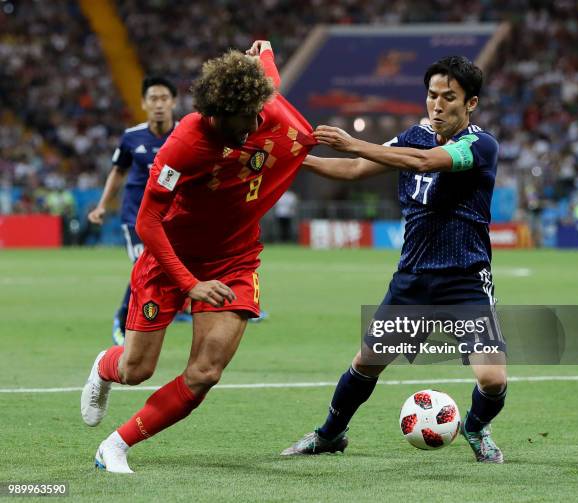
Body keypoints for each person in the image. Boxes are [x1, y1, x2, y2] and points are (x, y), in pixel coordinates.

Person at [80, 40, 316, 473]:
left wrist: (265, 51)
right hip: (172, 258)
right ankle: (105, 366)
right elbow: (149, 222)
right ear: (219, 113)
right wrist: (190, 284)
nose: (255, 124)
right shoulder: (187, 139)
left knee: (205, 373)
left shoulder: (257, 103)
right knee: (137, 369)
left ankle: (115, 446)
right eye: (246, 118)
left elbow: (267, 70)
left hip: (234, 261)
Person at [283, 56, 508, 463]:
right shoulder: (414, 134)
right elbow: (353, 169)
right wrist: (290, 159)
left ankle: (475, 427)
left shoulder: (480, 145)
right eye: (432, 95)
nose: (437, 106)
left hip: (465, 278)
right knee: (366, 362)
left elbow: (423, 162)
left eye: (449, 98)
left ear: (470, 103)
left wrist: (353, 141)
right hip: (413, 278)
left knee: (492, 378)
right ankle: (330, 434)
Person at [87, 76, 180, 346]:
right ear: (143, 103)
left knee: (176, 265)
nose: (159, 104)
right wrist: (102, 206)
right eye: (153, 99)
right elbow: (118, 171)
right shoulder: (131, 137)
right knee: (144, 265)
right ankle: (123, 317)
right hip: (136, 217)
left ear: (173, 102)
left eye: (164, 98)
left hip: (171, 217)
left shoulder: (185, 134)